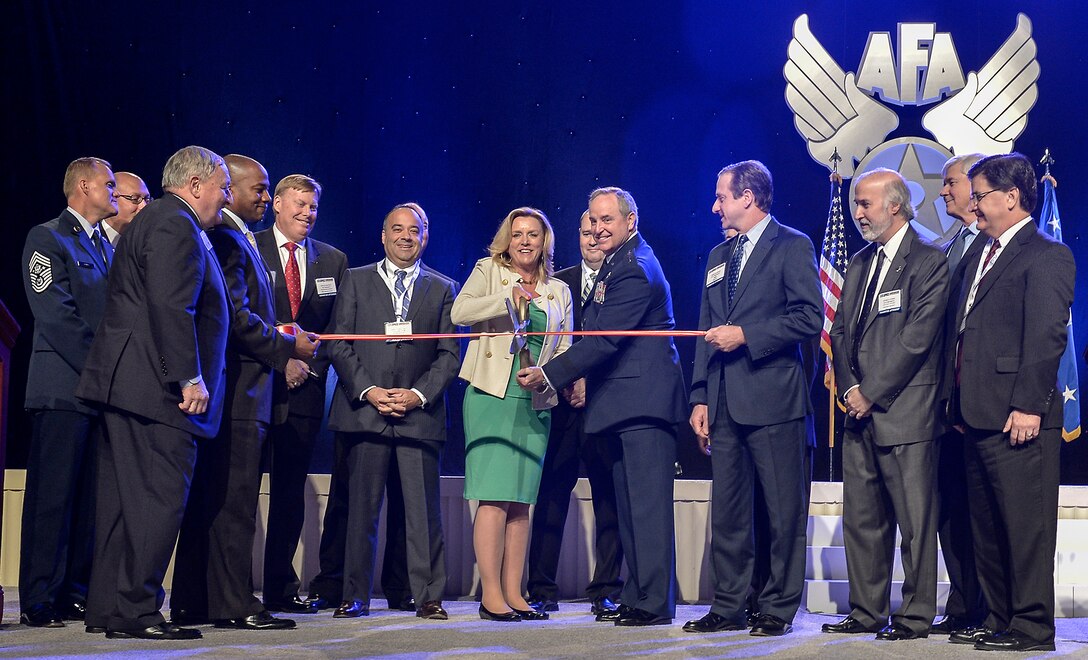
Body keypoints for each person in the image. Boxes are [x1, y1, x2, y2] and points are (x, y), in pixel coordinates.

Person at [75, 145, 232, 640]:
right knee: (158, 500)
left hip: (132, 384)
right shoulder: (174, 223)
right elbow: (171, 305)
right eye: (222, 186)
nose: (225, 197)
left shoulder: (160, 220)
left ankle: (109, 608)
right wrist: (188, 376)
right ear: (195, 185)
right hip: (156, 388)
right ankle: (138, 610)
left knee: (125, 503)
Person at [517, 188, 687, 627]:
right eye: (592, 220)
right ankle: (638, 594)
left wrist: (550, 373)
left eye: (607, 219)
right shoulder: (620, 261)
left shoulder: (634, 267)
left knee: (646, 508)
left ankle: (653, 602)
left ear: (631, 221)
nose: (597, 228)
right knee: (630, 507)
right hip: (623, 405)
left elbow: (605, 338)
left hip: (643, 405)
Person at [169, 155, 317, 631]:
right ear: (229, 187)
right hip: (239, 393)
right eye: (260, 189)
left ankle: (196, 600)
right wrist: (287, 344)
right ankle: (232, 603)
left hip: (239, 392)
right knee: (232, 506)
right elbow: (237, 317)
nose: (264, 197)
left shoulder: (234, 236)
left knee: (215, 502)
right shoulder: (228, 237)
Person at [941, 153, 1074, 652]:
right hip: (976, 414)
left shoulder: (1046, 255)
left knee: (1025, 528)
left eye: (980, 195)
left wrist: (1029, 405)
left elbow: (1045, 338)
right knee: (988, 528)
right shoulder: (980, 252)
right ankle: (999, 619)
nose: (972, 204)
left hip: (1020, 417)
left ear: (1011, 197)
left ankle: (1033, 627)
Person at [685, 161, 821, 637]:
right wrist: (700, 395)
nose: (715, 206)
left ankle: (777, 607)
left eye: (721, 196)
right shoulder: (718, 254)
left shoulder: (793, 245)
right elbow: (706, 329)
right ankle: (727, 605)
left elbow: (809, 319)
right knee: (729, 512)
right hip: (723, 402)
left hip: (774, 402)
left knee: (783, 513)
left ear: (748, 197)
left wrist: (747, 334)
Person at [825, 168, 948, 641]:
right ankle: (865, 611)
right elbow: (839, 331)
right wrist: (852, 389)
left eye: (865, 204)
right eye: (856, 204)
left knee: (916, 526)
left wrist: (870, 391)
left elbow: (917, 339)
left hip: (905, 414)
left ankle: (915, 616)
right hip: (859, 413)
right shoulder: (858, 262)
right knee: (863, 523)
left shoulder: (929, 261)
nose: (857, 213)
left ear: (894, 205)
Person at [324, 204, 459, 619]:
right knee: (360, 510)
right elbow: (338, 342)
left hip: (419, 416)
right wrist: (368, 389)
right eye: (397, 229)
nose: (405, 236)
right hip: (365, 412)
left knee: (423, 515)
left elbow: (449, 354)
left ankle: (428, 597)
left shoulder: (443, 287)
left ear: (425, 235)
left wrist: (418, 394)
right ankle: (354, 596)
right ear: (383, 236)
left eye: (413, 230)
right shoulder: (355, 279)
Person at [452, 207, 573, 621]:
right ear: (508, 239)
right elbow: (459, 313)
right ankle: (490, 597)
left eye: (533, 235)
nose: (524, 241)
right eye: (517, 234)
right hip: (492, 395)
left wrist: (547, 376)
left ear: (544, 242)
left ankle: (515, 593)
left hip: (536, 399)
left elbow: (566, 348)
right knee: (495, 498)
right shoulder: (489, 271)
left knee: (522, 501)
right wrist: (507, 297)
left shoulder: (559, 290)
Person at [19, 157, 117, 628]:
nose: (115, 192)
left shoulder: (106, 246)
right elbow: (55, 315)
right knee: (51, 498)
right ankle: (39, 595)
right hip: (63, 389)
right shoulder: (47, 238)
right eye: (109, 184)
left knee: (87, 500)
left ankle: (73, 592)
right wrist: (103, 369)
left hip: (98, 392)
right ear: (83, 186)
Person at [256, 174, 348, 614]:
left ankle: (278, 587)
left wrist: (307, 366)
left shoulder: (333, 260)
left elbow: (337, 332)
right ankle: (231, 585)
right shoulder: (248, 246)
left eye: (313, 206)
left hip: (306, 393)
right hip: (253, 390)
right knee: (240, 490)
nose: (306, 213)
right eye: (298, 204)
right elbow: (239, 319)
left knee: (289, 494)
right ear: (276, 204)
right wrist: (282, 361)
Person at [526, 210, 624, 617]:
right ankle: (540, 587)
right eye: (584, 232)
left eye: (598, 231)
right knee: (551, 495)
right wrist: (568, 381)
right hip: (562, 407)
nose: (592, 238)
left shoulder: (623, 278)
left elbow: (620, 344)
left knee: (609, 498)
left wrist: (589, 379)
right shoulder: (555, 283)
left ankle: (605, 589)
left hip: (605, 403)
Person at [931, 152, 988, 635]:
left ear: (977, 187)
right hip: (944, 406)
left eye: (951, 183)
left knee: (978, 511)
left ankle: (983, 606)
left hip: (978, 404)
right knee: (950, 506)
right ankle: (962, 603)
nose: (943, 192)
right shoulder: (951, 245)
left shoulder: (991, 247)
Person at [101, 172, 151, 244]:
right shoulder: (90, 238)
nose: (144, 206)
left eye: (147, 200)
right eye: (135, 198)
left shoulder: (148, 242)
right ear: (113, 198)